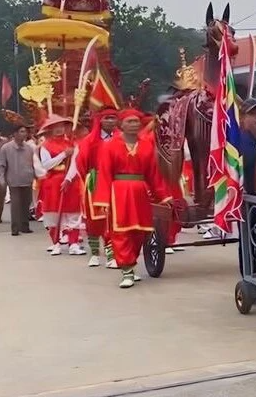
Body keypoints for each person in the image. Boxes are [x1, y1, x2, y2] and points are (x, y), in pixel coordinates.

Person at [93, 108, 172, 288]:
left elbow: (153, 174)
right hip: (118, 192)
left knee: (140, 231)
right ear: (121, 125)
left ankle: (130, 262)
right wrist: (103, 200)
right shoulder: (110, 145)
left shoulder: (146, 145)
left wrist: (164, 196)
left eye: (137, 121)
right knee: (121, 232)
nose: (134, 124)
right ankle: (127, 271)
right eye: (129, 121)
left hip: (140, 192)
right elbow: (104, 173)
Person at [68, 108, 119, 267]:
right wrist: (91, 178)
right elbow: (81, 163)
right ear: (100, 121)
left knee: (113, 220)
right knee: (94, 221)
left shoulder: (122, 140)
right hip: (95, 183)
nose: (110, 121)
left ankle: (112, 256)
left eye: (113, 118)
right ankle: (95, 254)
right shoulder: (89, 141)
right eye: (107, 118)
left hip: (116, 183)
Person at [35, 115, 85, 255]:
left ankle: (73, 243)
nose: (59, 129)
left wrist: (69, 179)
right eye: (55, 127)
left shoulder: (72, 143)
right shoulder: (45, 146)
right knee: (53, 214)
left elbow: (76, 163)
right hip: (53, 182)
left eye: (61, 126)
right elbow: (46, 165)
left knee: (73, 213)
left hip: (70, 181)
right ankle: (56, 243)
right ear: (50, 130)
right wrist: (63, 154)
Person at [0, 125, 36, 236]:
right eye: (21, 131)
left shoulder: (29, 148)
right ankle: (15, 228)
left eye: (25, 132)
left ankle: (25, 225)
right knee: (16, 205)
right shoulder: (6, 148)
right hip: (13, 181)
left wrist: (36, 176)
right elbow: (1, 165)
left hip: (27, 180)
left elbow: (34, 164)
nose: (24, 134)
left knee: (26, 204)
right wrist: (1, 179)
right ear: (15, 134)